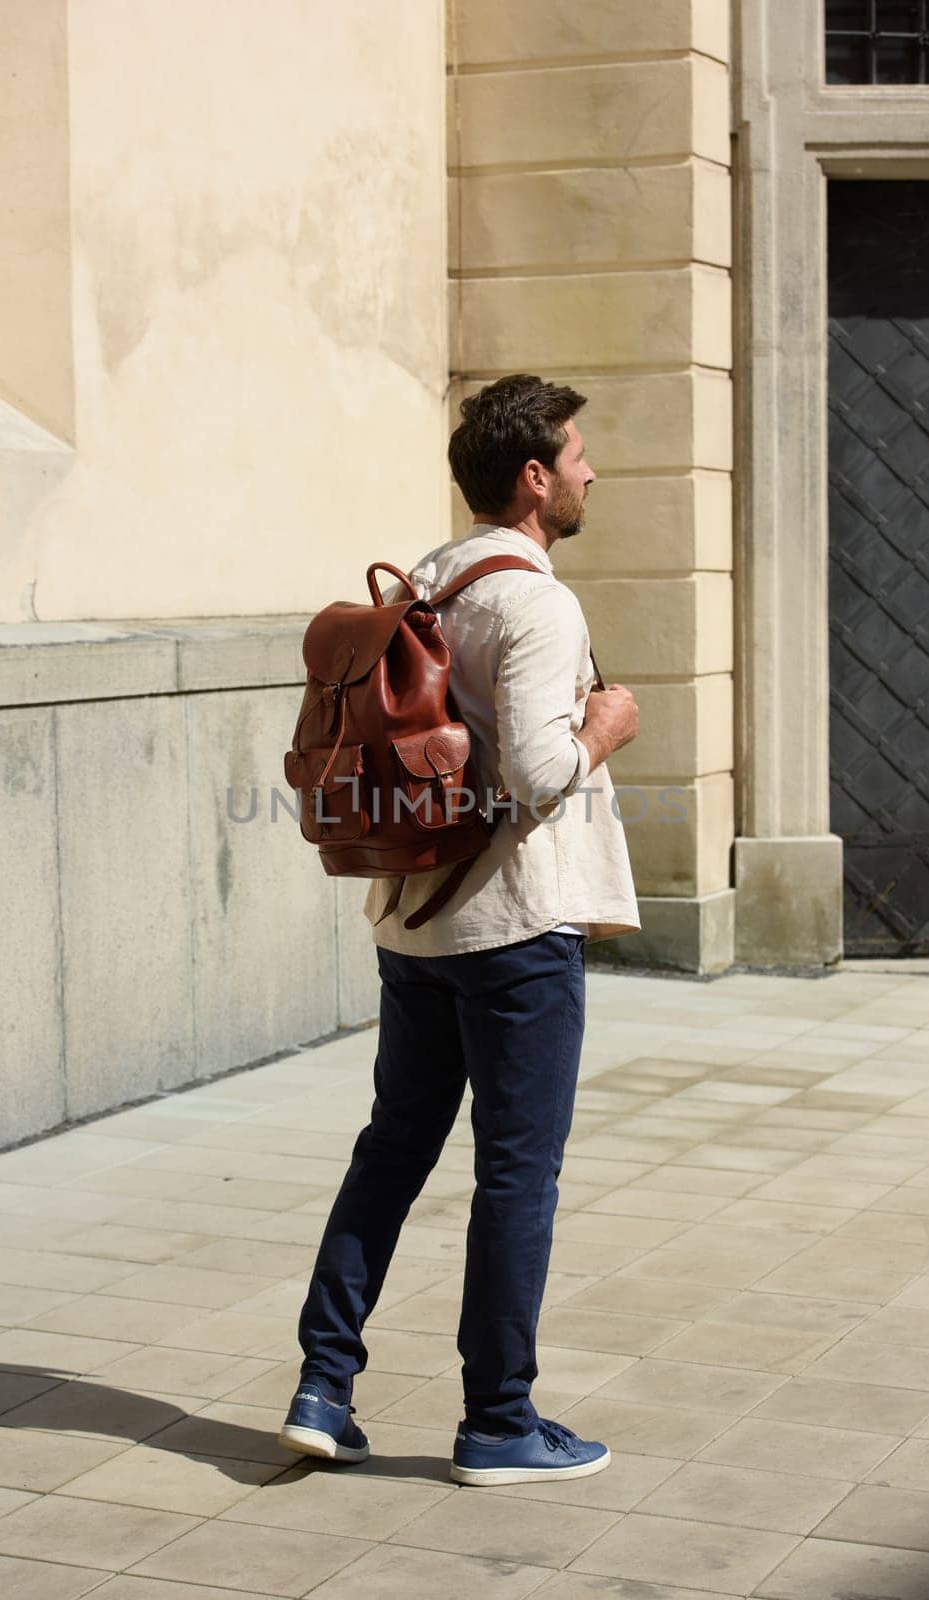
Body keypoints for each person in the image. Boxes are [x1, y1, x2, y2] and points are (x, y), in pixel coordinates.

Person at [279, 374, 641, 1486]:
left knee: (392, 1147)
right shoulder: (534, 601)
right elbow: (534, 773)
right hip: (514, 931)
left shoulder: (429, 575)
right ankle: (500, 1422)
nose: (589, 471)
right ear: (533, 476)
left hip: (412, 922)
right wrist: (607, 725)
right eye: (575, 455)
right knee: (517, 1173)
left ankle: (322, 1384)